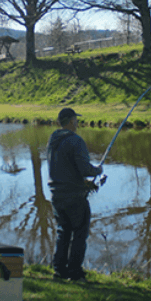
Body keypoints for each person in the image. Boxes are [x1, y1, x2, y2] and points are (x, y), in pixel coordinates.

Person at [47, 107, 103, 282]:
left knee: (63, 232)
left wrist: (85, 181)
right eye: (75, 120)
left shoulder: (52, 140)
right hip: (74, 197)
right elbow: (85, 169)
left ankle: (59, 270)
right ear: (71, 121)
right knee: (79, 233)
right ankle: (75, 273)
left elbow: (66, 169)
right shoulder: (76, 141)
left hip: (56, 195)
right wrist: (97, 170)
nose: (77, 123)